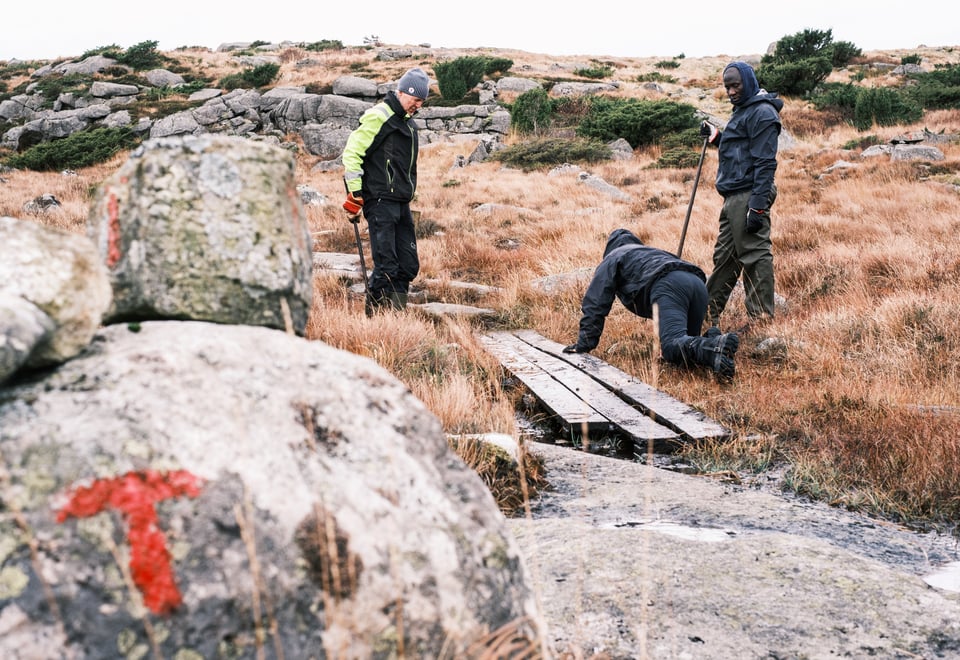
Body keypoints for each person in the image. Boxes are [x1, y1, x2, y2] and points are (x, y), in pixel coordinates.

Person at [563, 228, 740, 381]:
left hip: (669, 285)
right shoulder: (647, 252)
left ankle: (714, 345)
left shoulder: (613, 257)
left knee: (671, 346)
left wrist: (584, 343)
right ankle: (713, 340)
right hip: (697, 283)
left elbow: (595, 301)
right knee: (685, 358)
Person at [700, 61, 783, 329]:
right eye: (727, 87)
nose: (731, 91)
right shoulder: (744, 111)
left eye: (735, 85)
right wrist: (716, 137)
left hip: (748, 194)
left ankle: (761, 321)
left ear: (748, 82)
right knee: (725, 257)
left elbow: (765, 163)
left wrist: (757, 207)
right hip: (734, 196)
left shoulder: (762, 114)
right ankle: (705, 316)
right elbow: (739, 148)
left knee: (754, 253)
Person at [341, 66, 430, 315]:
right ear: (402, 92)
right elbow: (352, 153)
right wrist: (355, 194)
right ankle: (375, 320)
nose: (418, 106)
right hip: (379, 200)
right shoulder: (379, 116)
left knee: (408, 265)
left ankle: (395, 316)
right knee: (387, 267)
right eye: (416, 100)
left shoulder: (408, 124)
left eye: (422, 101)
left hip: (401, 203)